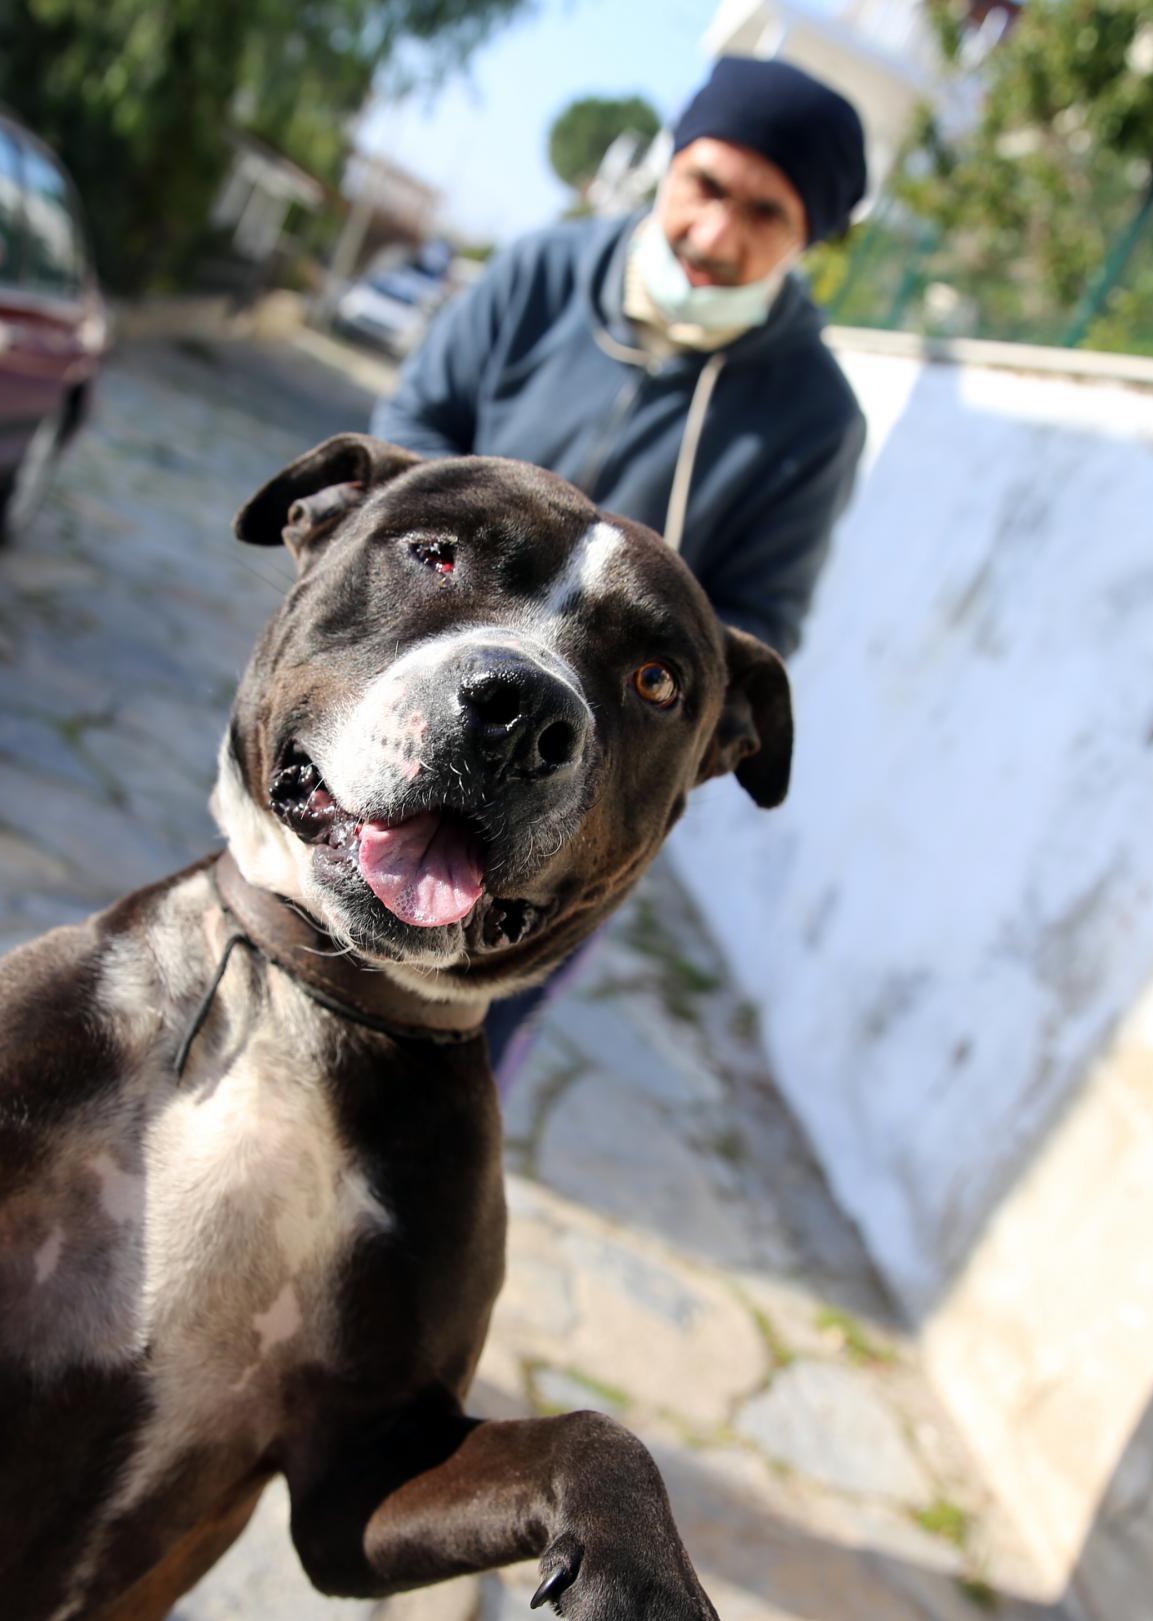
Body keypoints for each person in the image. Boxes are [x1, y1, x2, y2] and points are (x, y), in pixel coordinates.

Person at [370, 55, 872, 1075]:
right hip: (421, 684)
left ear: (810, 238)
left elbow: (761, 617)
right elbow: (413, 438)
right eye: (707, 186)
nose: (717, 235)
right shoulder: (540, 276)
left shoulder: (814, 418)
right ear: (669, 165)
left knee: (454, 1040)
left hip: (583, 767)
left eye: (766, 214)